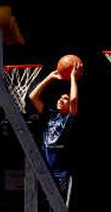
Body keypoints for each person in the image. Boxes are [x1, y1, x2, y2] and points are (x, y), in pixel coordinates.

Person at [28, 62, 82, 207]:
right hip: (45, 170)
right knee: (41, 205)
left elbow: (73, 100)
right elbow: (32, 97)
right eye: (60, 98)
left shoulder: (69, 117)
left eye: (64, 99)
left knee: (59, 206)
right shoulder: (49, 115)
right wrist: (50, 77)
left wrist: (72, 78)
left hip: (62, 173)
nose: (61, 100)